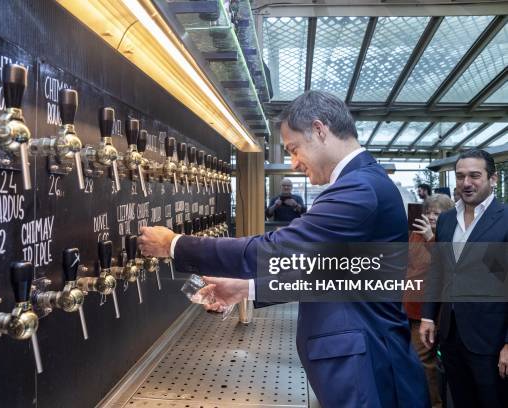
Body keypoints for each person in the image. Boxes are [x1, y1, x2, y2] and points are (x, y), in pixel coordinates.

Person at [139, 91, 429, 407]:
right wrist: (246, 289)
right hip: (364, 366)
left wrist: (174, 244)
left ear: (320, 130)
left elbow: (275, 249)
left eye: (293, 149)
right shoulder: (362, 182)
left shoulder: (359, 188)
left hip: (369, 370)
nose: (292, 163)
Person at [420, 149, 508, 408]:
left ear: (492, 179)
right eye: (460, 176)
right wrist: (428, 315)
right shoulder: (447, 220)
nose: (466, 183)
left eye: (474, 176)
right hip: (451, 335)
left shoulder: (505, 221)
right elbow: (439, 269)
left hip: (490, 339)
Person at [406, 194, 455, 408]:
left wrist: (430, 238)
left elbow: (448, 268)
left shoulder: (450, 236)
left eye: (437, 213)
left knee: (424, 362)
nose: (431, 217)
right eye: (428, 212)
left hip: (430, 312)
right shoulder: (415, 234)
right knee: (415, 362)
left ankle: (434, 403)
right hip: (408, 307)